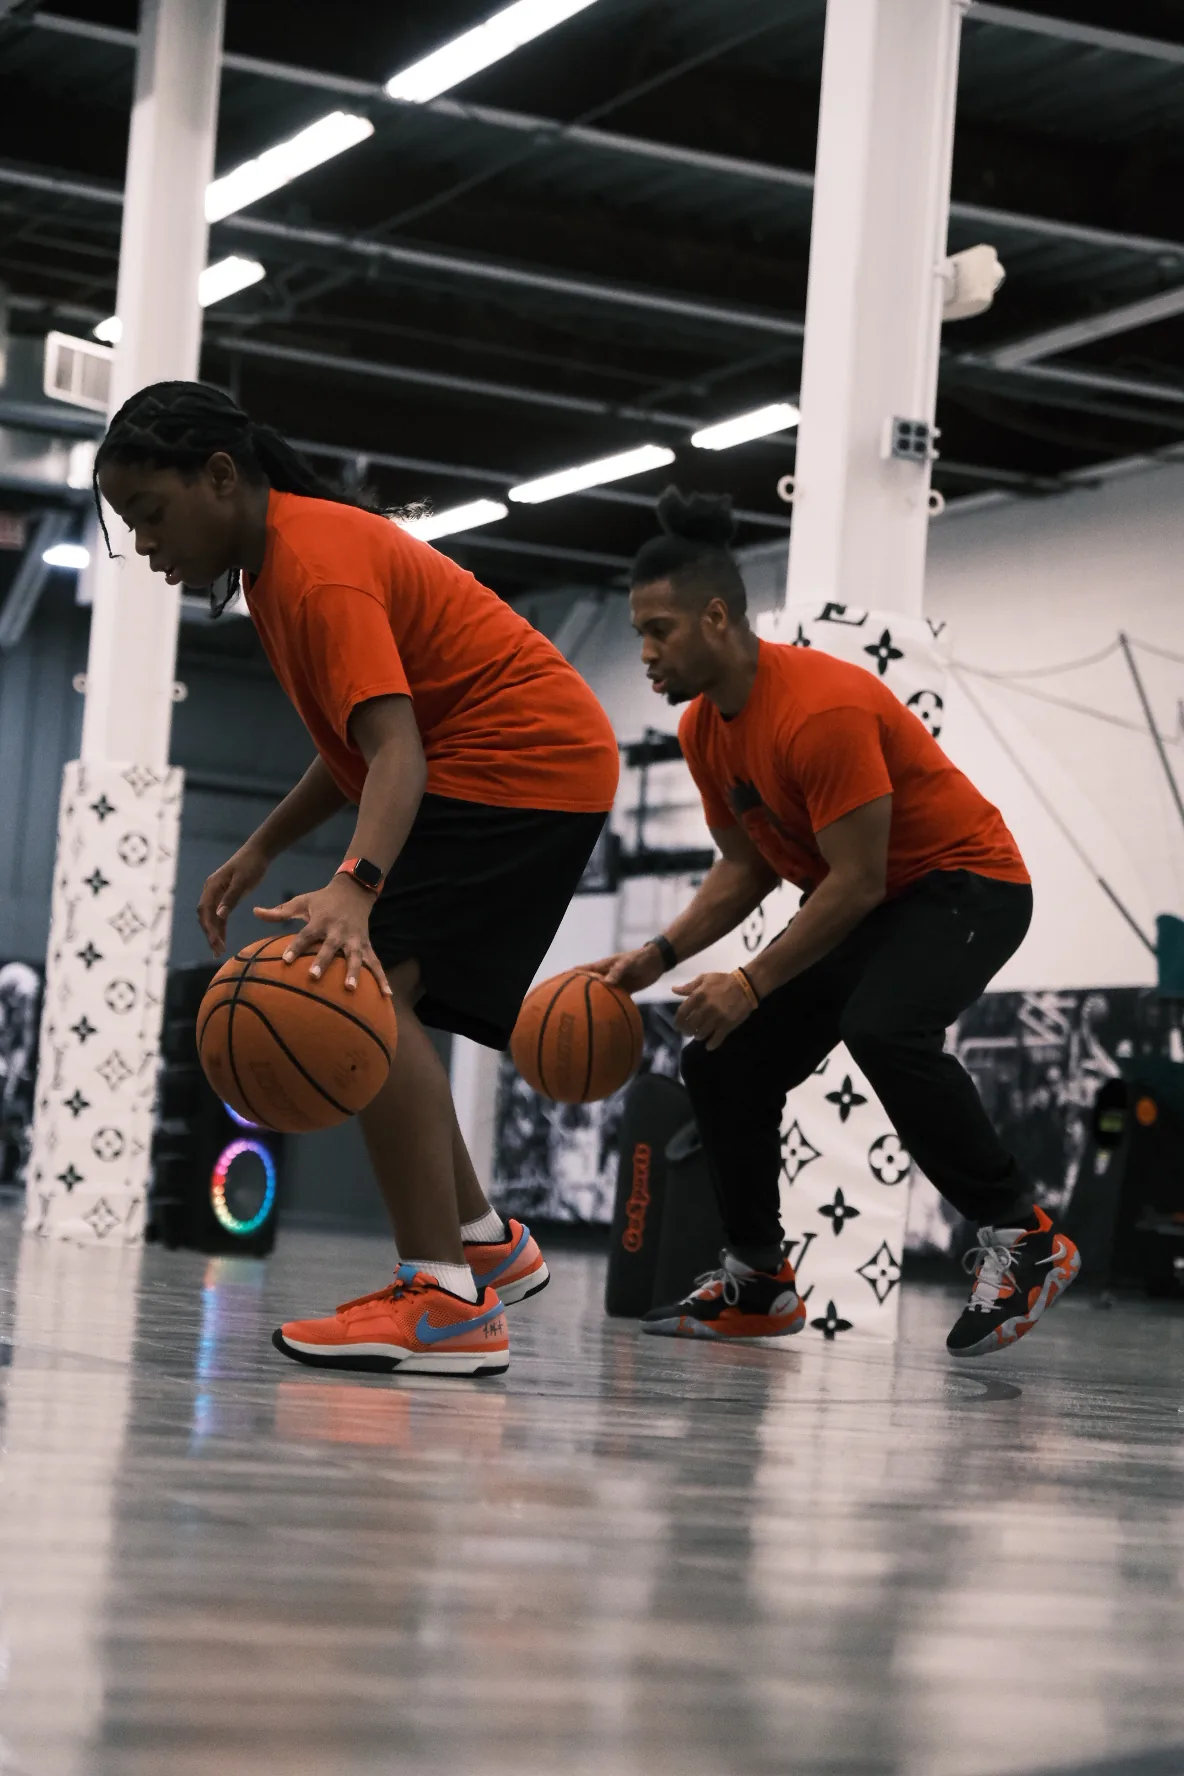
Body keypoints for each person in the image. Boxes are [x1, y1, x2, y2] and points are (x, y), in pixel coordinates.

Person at [94, 380, 619, 1376]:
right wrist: (262, 844)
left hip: (520, 767)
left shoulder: (314, 567)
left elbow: (399, 756)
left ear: (218, 477)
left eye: (151, 516)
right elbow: (354, 746)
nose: (146, 546)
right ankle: (481, 1247)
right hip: (520, 766)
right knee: (377, 995)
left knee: (356, 988)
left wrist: (357, 884)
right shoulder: (279, 566)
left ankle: (445, 1300)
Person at [587, 488, 1079, 1358]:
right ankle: (761, 1279)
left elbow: (851, 886)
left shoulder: (820, 709)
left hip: (966, 886)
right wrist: (656, 954)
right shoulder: (704, 729)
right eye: (639, 633)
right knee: (723, 1062)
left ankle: (1024, 1233)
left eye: (659, 630)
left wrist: (748, 981)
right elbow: (746, 867)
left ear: (716, 617)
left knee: (882, 1027)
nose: (648, 652)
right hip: (873, 904)